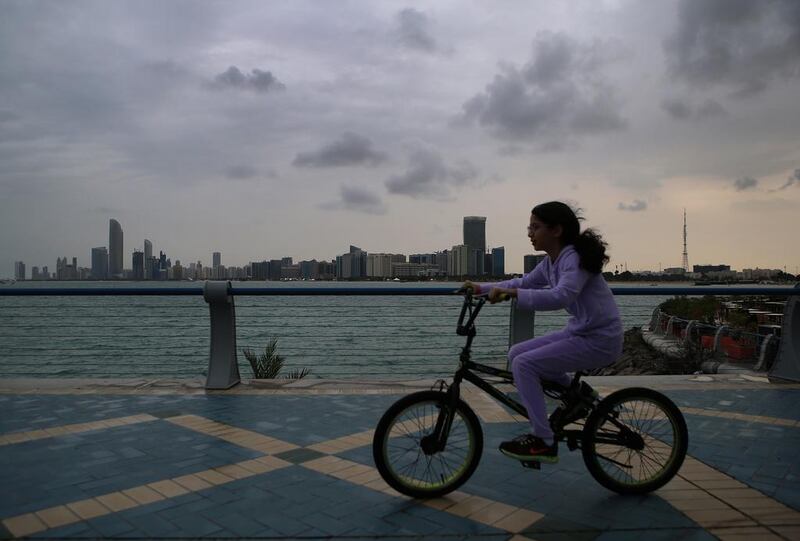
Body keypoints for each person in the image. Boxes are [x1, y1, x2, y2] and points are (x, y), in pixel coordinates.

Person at [464, 201, 623, 463]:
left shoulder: (574, 258)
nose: (530, 233)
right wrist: (480, 288)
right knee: (517, 353)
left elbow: (562, 296)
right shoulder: (551, 262)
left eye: (535, 227)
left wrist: (513, 294)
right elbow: (523, 282)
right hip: (582, 332)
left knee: (526, 364)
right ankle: (581, 397)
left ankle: (543, 440)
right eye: (530, 227)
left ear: (556, 230)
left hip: (600, 339)